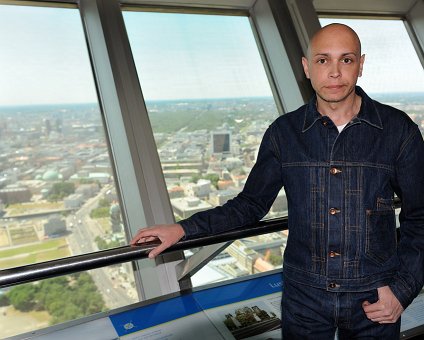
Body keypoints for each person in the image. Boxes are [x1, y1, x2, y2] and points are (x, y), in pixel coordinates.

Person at [131, 23, 424, 339]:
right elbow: (250, 205)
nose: (335, 72)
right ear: (306, 67)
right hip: (304, 300)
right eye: (323, 60)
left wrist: (402, 289)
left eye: (347, 60)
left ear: (361, 65)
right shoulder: (284, 134)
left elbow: (420, 217)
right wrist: (183, 229)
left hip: (375, 296)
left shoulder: (398, 131)